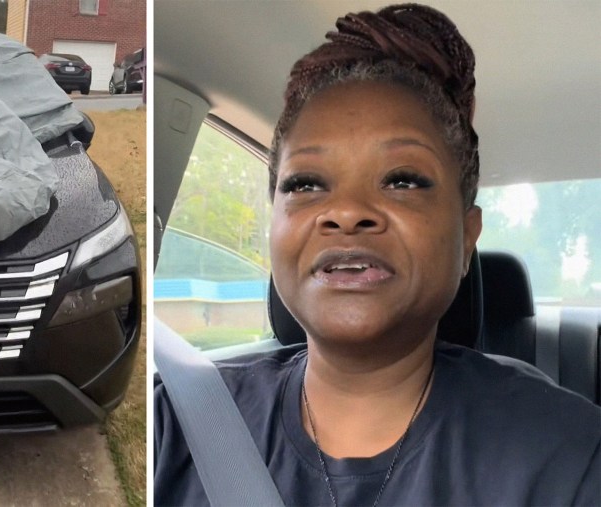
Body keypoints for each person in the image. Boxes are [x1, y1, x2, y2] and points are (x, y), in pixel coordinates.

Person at [154, 4, 601, 506]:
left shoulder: (568, 457)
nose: (346, 212)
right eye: (305, 184)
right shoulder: (175, 425)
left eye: (402, 181)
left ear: (466, 238)